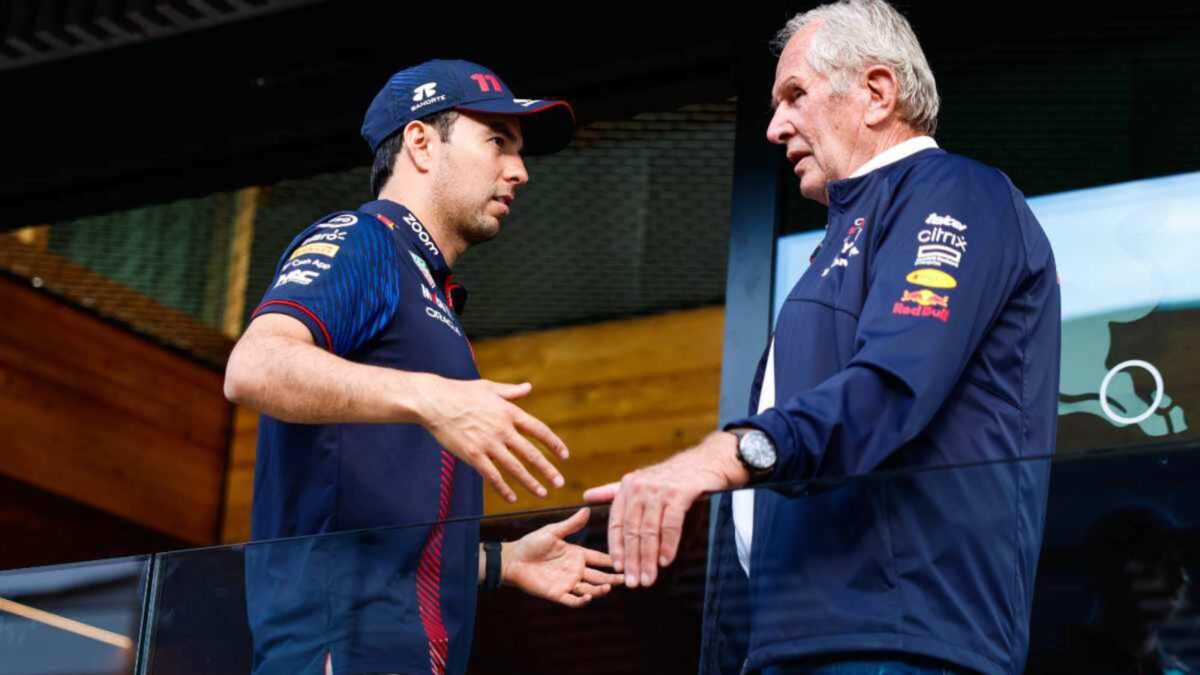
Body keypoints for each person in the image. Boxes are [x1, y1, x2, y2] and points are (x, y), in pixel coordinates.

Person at [585, 1, 1061, 673]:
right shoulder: (834, 244)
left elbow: (890, 386)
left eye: (795, 95)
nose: (776, 127)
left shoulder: (954, 192)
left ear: (875, 93)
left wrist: (722, 453)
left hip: (897, 641)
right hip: (796, 643)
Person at [225, 59, 621, 675]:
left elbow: (384, 514)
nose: (519, 170)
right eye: (497, 141)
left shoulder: (427, 289)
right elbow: (254, 364)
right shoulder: (365, 241)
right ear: (420, 143)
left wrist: (500, 562)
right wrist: (433, 397)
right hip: (339, 654)